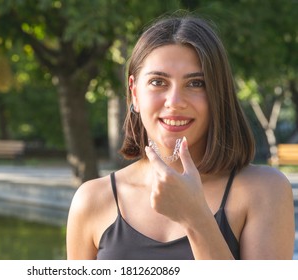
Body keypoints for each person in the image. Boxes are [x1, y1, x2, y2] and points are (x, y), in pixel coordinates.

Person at [66, 15, 295, 260]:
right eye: (158, 82)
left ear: (218, 94)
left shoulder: (264, 190)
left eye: (196, 83)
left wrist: (195, 218)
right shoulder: (91, 200)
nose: (174, 102)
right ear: (134, 93)